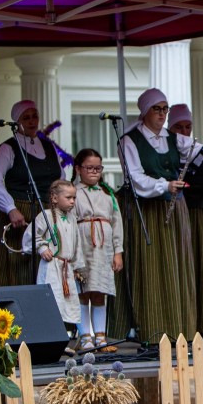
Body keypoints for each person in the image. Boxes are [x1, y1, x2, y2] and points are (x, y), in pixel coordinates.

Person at [107, 88, 203, 344]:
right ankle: (153, 327)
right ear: (145, 111)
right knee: (153, 267)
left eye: (165, 109)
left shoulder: (171, 137)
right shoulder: (129, 140)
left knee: (178, 265)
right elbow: (134, 178)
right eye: (157, 109)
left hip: (174, 208)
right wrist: (164, 186)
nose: (162, 114)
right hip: (147, 210)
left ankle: (180, 326)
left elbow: (195, 152)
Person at [0, 100, 63, 287]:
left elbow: (60, 178)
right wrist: (10, 208)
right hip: (20, 211)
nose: (31, 121)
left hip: (46, 211)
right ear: (17, 121)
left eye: (34, 116)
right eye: (26, 117)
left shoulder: (49, 147)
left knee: (47, 265)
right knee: (17, 268)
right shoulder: (8, 148)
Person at [168, 105, 203, 336]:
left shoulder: (198, 149)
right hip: (176, 212)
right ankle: (182, 323)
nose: (185, 131)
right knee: (183, 267)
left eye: (188, 126)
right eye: (179, 126)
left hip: (197, 210)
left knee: (200, 265)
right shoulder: (167, 149)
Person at [72, 148, 124, 352]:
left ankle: (101, 337)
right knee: (83, 290)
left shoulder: (108, 194)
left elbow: (116, 223)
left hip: (104, 247)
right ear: (78, 169)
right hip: (82, 244)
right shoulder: (74, 192)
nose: (94, 172)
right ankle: (86, 337)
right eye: (89, 168)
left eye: (98, 168)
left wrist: (118, 251)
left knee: (99, 290)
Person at [22, 179, 86, 334]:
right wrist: (42, 247)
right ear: (55, 198)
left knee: (67, 303)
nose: (72, 201)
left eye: (74, 198)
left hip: (66, 268)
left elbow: (76, 244)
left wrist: (77, 267)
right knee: (53, 301)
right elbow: (31, 236)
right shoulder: (46, 216)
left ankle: (64, 336)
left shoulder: (71, 218)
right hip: (51, 268)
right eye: (68, 198)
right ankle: (51, 335)